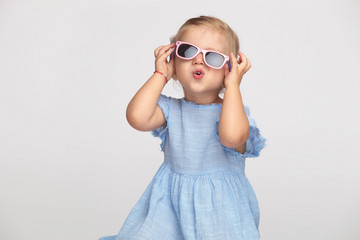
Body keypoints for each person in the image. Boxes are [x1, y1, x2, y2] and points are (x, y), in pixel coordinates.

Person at [99, 15, 266, 240]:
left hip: (219, 212)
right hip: (170, 207)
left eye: (213, 57)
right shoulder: (171, 109)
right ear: (174, 63)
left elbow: (231, 137)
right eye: (187, 51)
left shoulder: (233, 113)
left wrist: (233, 86)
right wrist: (160, 75)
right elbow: (137, 118)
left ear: (229, 69)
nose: (198, 61)